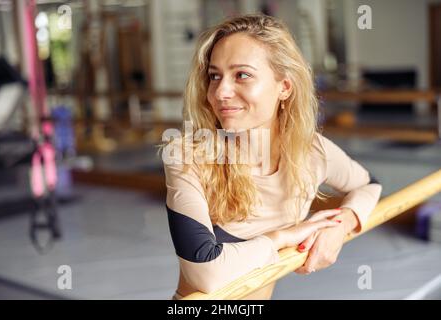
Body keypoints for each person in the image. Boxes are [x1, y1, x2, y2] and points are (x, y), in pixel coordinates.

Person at [162, 14, 382, 300]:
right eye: (215, 76)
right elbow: (207, 271)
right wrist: (283, 237)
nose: (220, 92)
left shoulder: (312, 151)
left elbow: (368, 184)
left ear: (284, 87)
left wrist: (340, 226)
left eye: (241, 75)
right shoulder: (189, 157)